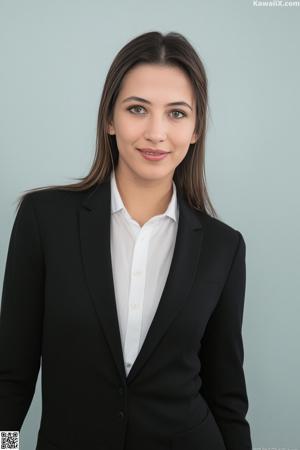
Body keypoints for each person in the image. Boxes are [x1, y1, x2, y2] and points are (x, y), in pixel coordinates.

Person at [0, 31, 252, 450]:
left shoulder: (224, 248)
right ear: (110, 118)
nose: (156, 133)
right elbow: (10, 376)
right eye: (138, 109)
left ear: (195, 130)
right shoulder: (44, 220)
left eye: (176, 114)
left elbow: (228, 400)